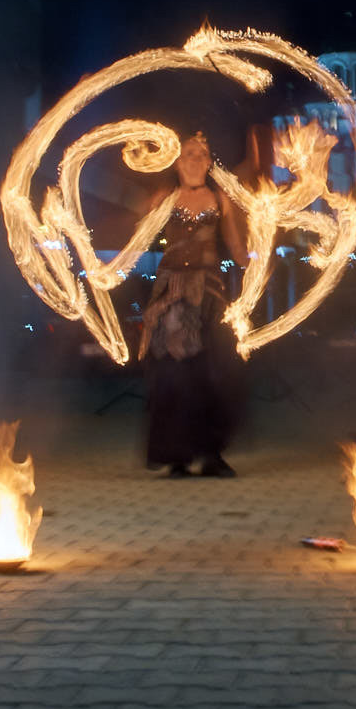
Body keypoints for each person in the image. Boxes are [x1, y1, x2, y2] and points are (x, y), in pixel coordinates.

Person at [138, 132, 247, 477]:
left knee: (213, 372)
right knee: (175, 374)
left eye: (202, 154)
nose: (196, 160)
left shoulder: (220, 198)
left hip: (209, 293)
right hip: (173, 293)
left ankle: (211, 454)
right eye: (189, 153)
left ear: (210, 162)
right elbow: (139, 240)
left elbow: (238, 249)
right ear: (177, 161)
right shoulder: (165, 198)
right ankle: (177, 457)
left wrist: (260, 256)